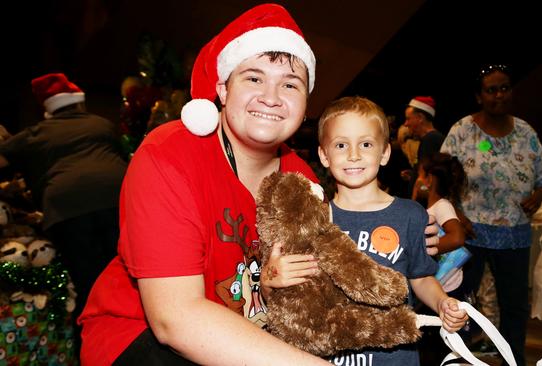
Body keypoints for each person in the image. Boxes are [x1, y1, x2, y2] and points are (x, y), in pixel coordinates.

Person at [78, 4, 331, 365]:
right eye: (254, 78)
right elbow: (175, 319)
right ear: (223, 90)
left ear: (305, 103)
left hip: (247, 329)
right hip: (140, 335)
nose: (272, 97)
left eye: (290, 84)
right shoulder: (172, 155)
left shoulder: (302, 181)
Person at [316, 96, 468, 365]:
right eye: (341, 145)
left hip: (395, 356)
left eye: (365, 144)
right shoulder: (316, 219)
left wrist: (443, 302)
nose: (353, 155)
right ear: (324, 155)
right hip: (330, 356)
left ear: (384, 153)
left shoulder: (410, 215)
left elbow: (420, 278)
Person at [0, 73, 127, 347]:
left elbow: (4, 151)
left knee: (88, 282)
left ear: (48, 109)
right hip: (116, 201)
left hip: (68, 210)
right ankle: (131, 339)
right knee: (125, 273)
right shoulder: (101, 124)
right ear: (79, 104)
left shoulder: (37, 134)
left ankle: (91, 347)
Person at [440, 64, 542, 365]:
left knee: (514, 306)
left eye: (504, 88)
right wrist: (458, 216)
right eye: (491, 89)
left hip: (515, 234)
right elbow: (441, 177)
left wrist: (539, 194)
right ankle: (456, 359)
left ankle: (513, 360)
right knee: (461, 303)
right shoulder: (462, 130)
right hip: (471, 233)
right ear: (479, 96)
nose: (499, 95)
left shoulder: (526, 132)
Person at [404, 96, 445, 207]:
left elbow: (426, 182)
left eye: (408, 119)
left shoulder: (431, 140)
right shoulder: (430, 139)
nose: (405, 124)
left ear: (420, 117)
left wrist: (413, 205)